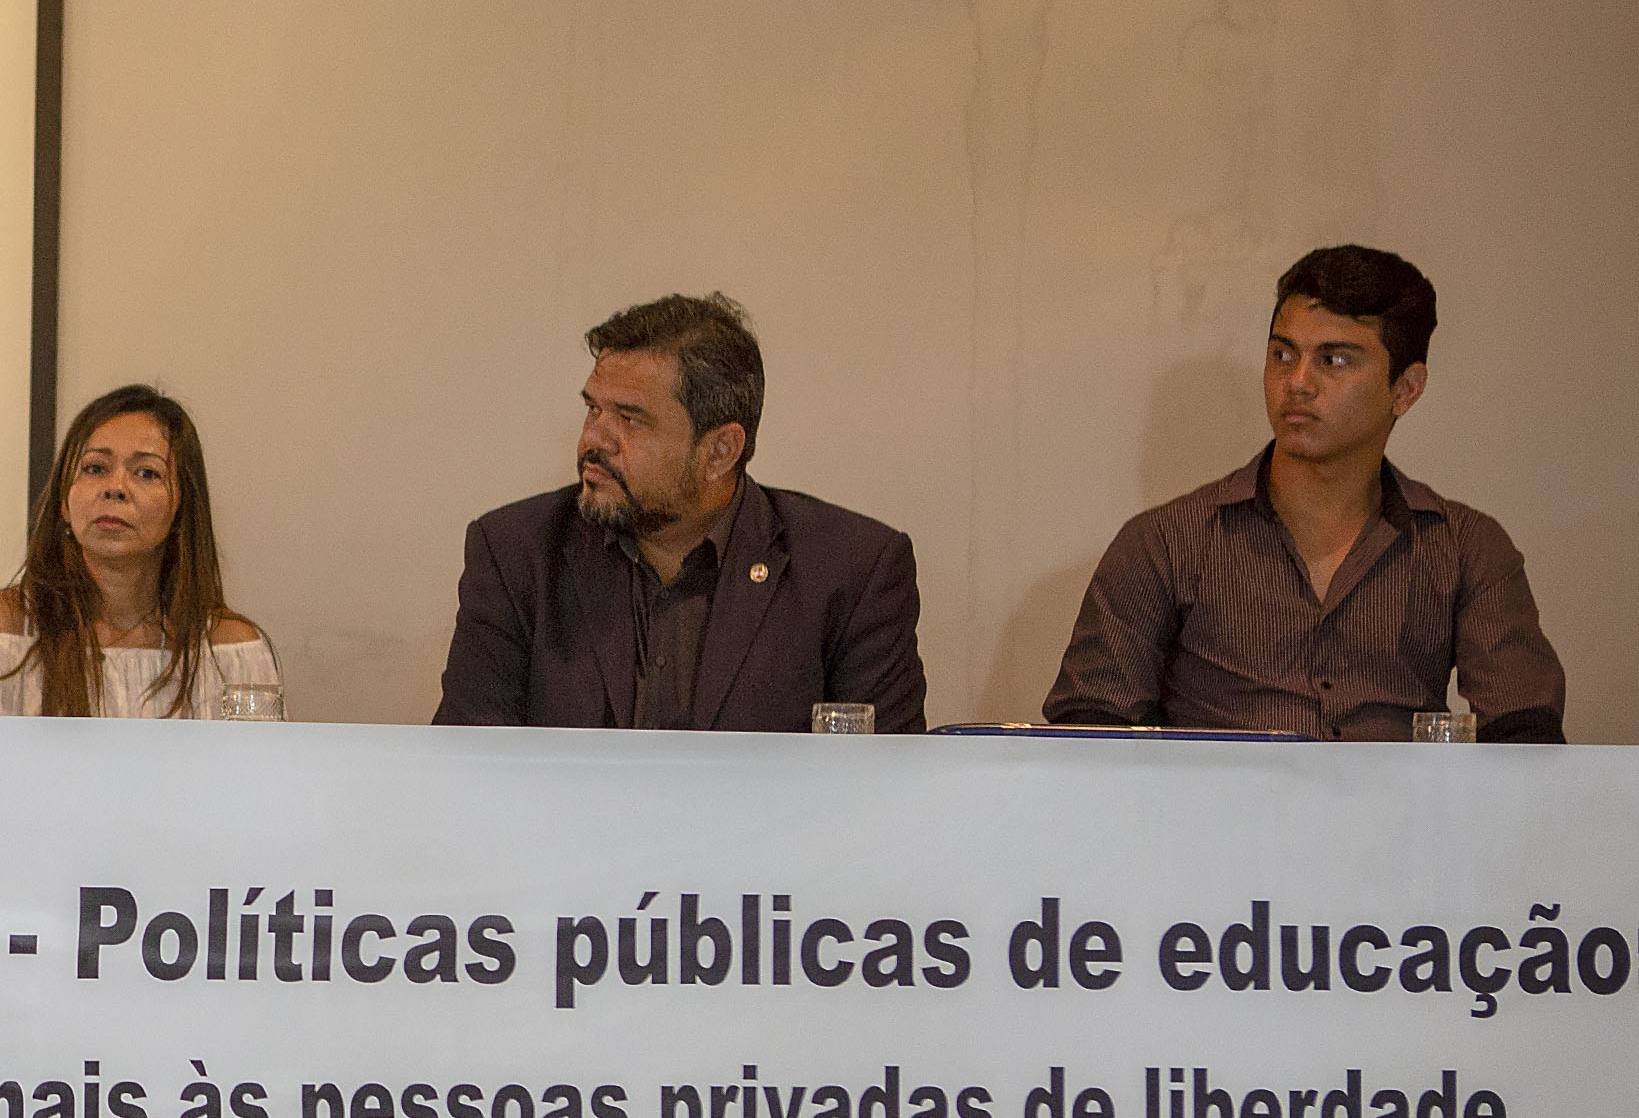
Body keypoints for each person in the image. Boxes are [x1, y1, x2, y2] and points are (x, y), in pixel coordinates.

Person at [1044, 245, 1561, 741]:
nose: (1297, 382)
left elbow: (1526, 740)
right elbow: (1084, 739)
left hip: (1398, 804)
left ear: (1405, 389)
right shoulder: (1165, 541)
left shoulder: (1465, 546)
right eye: (1282, 354)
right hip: (1216, 804)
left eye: (1334, 360)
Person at [434, 292, 923, 733]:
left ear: (720, 451)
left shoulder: (851, 571)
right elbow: (468, 766)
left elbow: (889, 786)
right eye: (593, 410)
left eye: (629, 419)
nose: (592, 440)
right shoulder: (516, 553)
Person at [0, 385, 274, 716]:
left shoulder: (231, 651)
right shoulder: (3, 631)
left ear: (181, 507)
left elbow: (257, 757)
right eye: (95, 468)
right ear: (64, 502)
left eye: (147, 473)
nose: (116, 488)